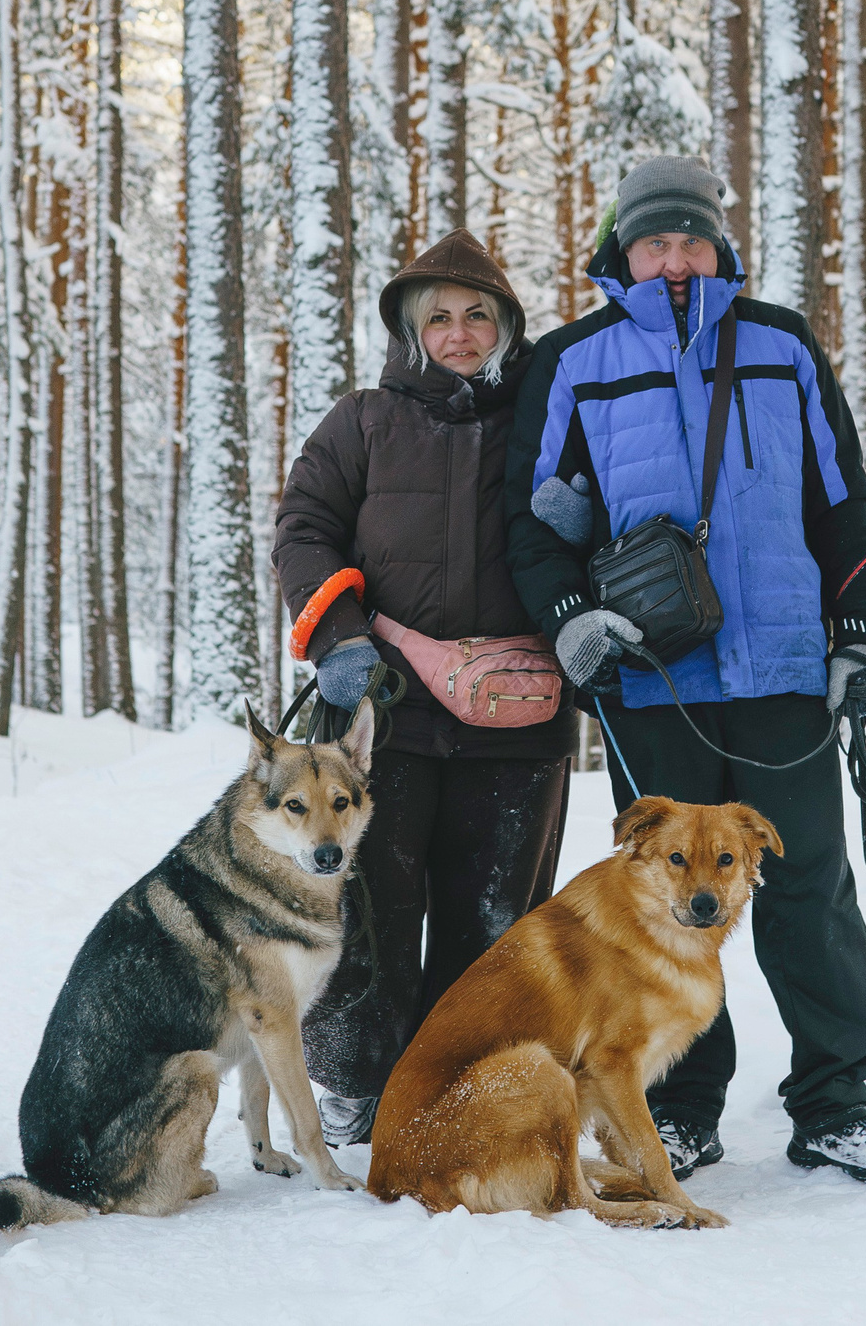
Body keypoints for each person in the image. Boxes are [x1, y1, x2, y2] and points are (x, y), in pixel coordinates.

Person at [502, 156, 866, 1185]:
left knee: (805, 885)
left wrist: (857, 628)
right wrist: (570, 623)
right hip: (655, 681)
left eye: (691, 239)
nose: (675, 258)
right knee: (664, 903)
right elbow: (530, 526)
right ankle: (679, 1106)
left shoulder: (780, 347)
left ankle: (833, 1101)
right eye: (655, 241)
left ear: (719, 245)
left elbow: (841, 505)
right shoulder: (573, 362)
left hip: (781, 673)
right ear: (622, 251)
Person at [273, 230, 577, 1147]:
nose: (458, 332)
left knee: (496, 922)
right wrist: (338, 639)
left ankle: (470, 1084)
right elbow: (304, 526)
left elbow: (605, 520)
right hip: (385, 723)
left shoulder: (547, 414)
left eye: (477, 314)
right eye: (438, 317)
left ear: (506, 325)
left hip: (517, 723)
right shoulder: (365, 419)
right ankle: (363, 1089)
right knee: (371, 910)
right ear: (412, 332)